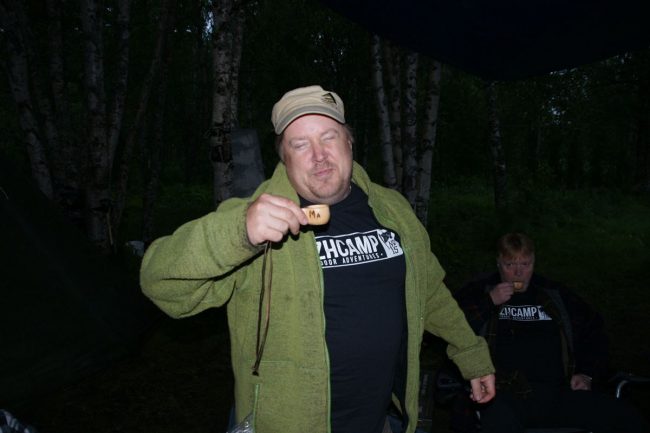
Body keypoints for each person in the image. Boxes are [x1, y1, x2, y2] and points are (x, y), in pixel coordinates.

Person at [140, 85, 495, 433]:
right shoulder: (254, 222)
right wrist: (239, 233)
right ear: (284, 157)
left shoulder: (393, 210)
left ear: (349, 141)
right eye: (300, 144)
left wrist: (471, 355)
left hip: (378, 421)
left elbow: (428, 291)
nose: (319, 155)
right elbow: (161, 284)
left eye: (328, 137)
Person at [452, 232, 648, 433]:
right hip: (503, 396)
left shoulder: (554, 295)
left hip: (557, 393)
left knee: (626, 416)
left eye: (525, 264)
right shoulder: (479, 291)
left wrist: (587, 374)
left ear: (534, 262)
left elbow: (594, 332)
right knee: (497, 419)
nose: (518, 273)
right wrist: (489, 302)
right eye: (510, 265)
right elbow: (452, 329)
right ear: (498, 263)